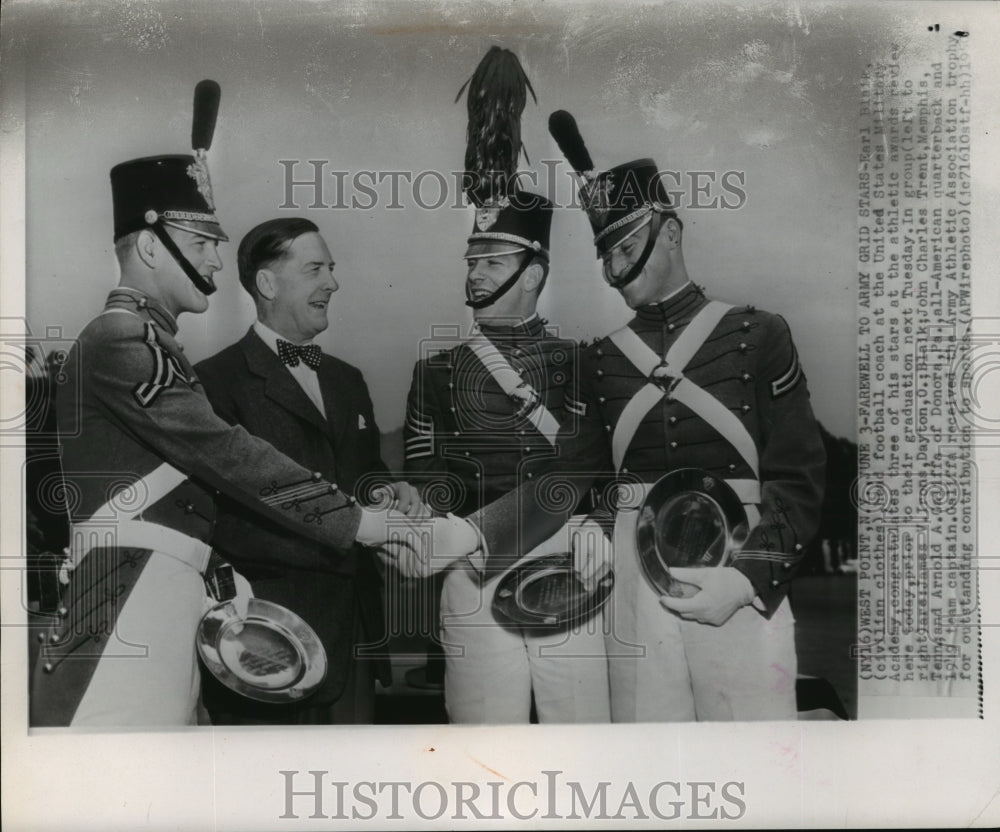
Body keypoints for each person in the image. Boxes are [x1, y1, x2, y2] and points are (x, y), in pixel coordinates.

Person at [29, 86, 477, 728]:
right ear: (152, 247)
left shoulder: (152, 343)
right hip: (126, 599)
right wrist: (370, 526)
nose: (217, 259)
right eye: (203, 240)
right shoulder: (120, 338)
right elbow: (228, 455)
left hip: (169, 593)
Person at [548, 111, 826, 721]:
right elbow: (595, 482)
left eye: (626, 247)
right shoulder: (598, 362)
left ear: (669, 233)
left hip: (739, 569)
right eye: (605, 254)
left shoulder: (758, 333)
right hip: (633, 590)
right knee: (651, 769)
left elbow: (799, 476)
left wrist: (751, 578)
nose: (613, 270)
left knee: (750, 768)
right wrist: (593, 530)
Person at [403, 191, 611, 723]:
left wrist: (600, 526)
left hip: (567, 560)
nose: (475, 274)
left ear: (534, 273)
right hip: (471, 569)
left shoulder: (581, 362)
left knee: (580, 729)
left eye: (492, 262)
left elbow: (604, 468)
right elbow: (426, 475)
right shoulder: (437, 371)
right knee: (484, 737)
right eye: (472, 261)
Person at [193, 218, 409, 724]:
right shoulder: (213, 382)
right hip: (268, 641)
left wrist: (390, 490)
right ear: (267, 284)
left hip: (356, 630)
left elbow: (363, 474)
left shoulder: (347, 380)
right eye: (315, 269)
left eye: (331, 269)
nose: (332, 282)